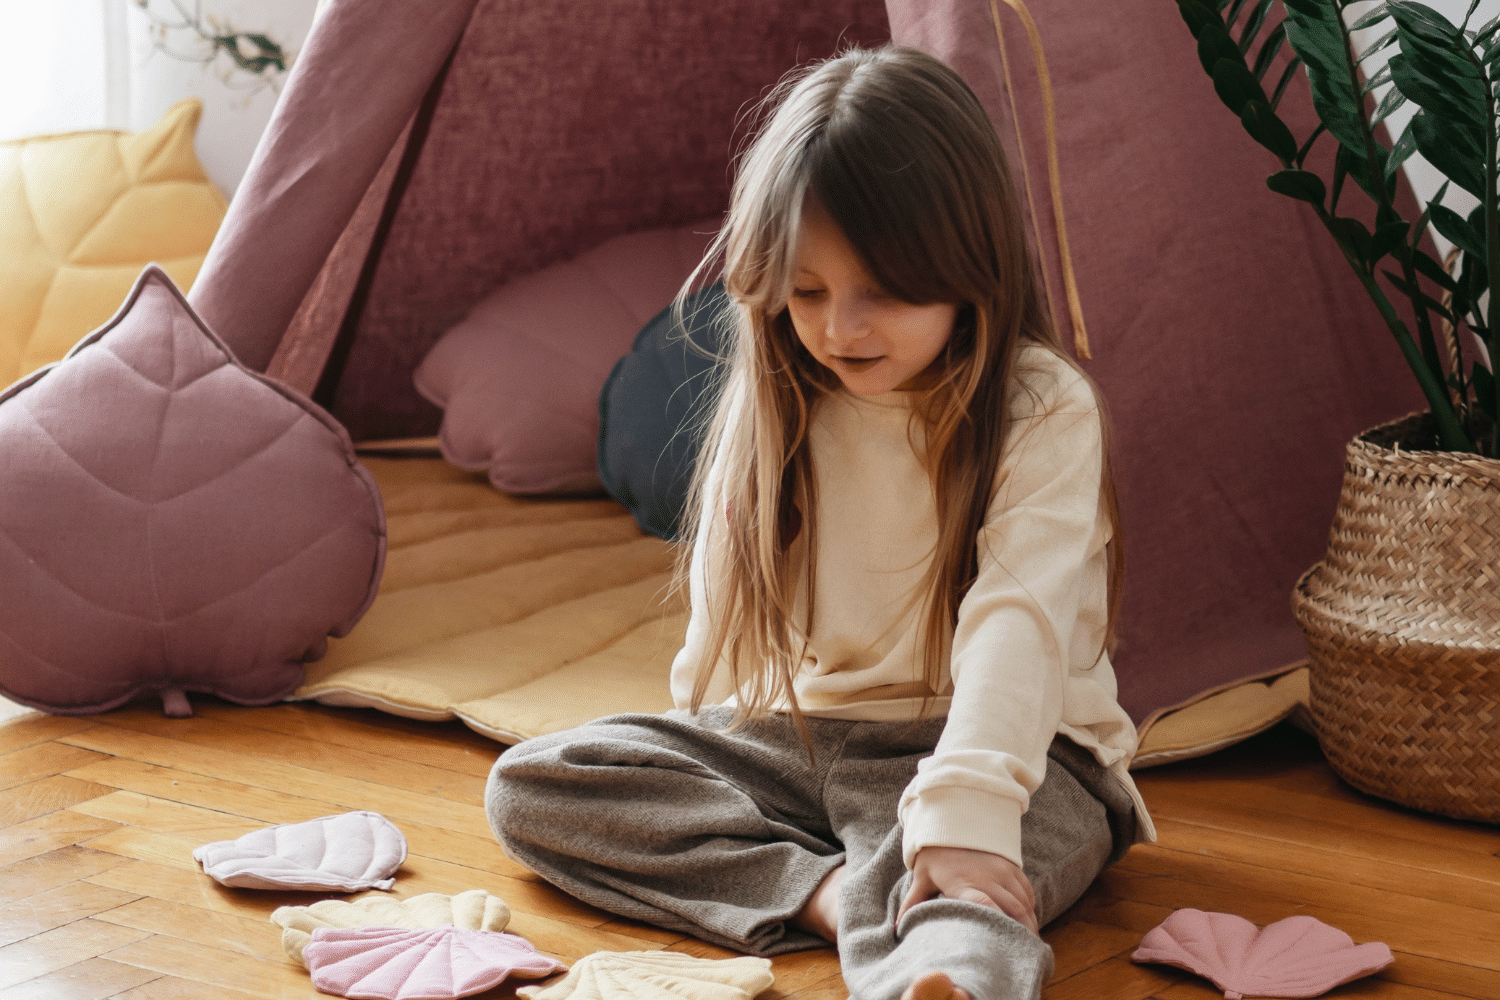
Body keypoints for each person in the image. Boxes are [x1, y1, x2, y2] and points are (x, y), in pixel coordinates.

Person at [486, 44, 1156, 1000]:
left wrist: (966, 811)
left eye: (880, 290)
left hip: (1020, 751)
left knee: (976, 881)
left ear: (968, 265)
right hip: (805, 744)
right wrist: (704, 757)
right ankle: (838, 896)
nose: (840, 329)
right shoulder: (782, 394)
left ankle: (944, 971)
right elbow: (724, 602)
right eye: (807, 292)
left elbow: (1020, 622)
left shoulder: (1039, 407)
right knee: (532, 784)